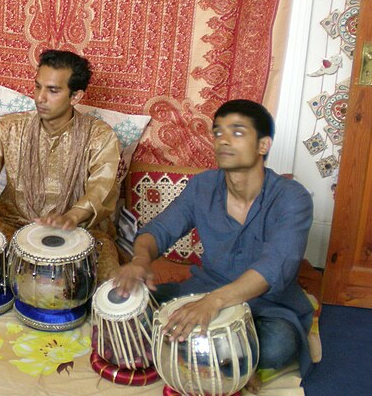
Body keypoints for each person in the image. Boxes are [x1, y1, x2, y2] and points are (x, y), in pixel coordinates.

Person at [112, 99, 314, 388]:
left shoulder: (292, 198)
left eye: (238, 132)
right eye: (218, 132)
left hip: (266, 304)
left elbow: (274, 268)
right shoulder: (203, 186)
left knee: (277, 347)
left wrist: (214, 302)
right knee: (132, 307)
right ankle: (225, 356)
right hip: (203, 287)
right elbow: (159, 231)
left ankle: (216, 351)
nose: (224, 140)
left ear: (263, 145)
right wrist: (140, 261)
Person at [0, 50, 122, 281]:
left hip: (78, 231)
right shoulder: (7, 127)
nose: (40, 98)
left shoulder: (99, 136)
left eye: (53, 90)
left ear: (75, 96)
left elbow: (103, 186)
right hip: (15, 226)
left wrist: (74, 215)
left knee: (111, 285)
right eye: (38, 87)